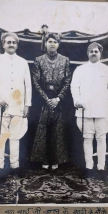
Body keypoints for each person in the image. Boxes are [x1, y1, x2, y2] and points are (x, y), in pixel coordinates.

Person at [0, 32, 32, 173]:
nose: (11, 45)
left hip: (17, 107)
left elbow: (28, 85)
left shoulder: (23, 62)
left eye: (13, 42)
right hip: (0, 107)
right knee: (0, 137)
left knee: (14, 137)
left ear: (17, 45)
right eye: (8, 42)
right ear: (3, 44)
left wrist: (27, 105)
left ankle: (14, 166)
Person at [71, 42, 108, 172]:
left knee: (101, 138)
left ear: (100, 53)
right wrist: (77, 101)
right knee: (87, 138)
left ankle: (101, 166)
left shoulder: (107, 70)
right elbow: (74, 87)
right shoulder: (80, 70)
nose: (93, 53)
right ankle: (89, 166)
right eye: (91, 51)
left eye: (96, 51)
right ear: (87, 53)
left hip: (103, 110)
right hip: (85, 110)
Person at [31, 33, 72, 170]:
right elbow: (35, 82)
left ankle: (56, 160)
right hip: (43, 99)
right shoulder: (38, 60)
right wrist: (47, 99)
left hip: (59, 100)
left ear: (58, 44)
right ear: (45, 43)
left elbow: (67, 82)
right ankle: (44, 159)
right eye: (50, 41)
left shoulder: (65, 60)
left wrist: (58, 98)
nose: (52, 43)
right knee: (43, 130)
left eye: (55, 41)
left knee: (57, 130)